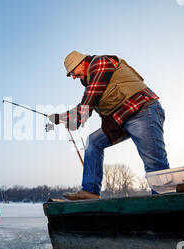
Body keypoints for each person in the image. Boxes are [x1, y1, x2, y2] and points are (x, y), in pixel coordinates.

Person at [49, 51, 170, 200]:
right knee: (93, 142)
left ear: (81, 63)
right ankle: (90, 191)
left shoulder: (100, 64)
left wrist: (70, 117)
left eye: (73, 72)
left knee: (153, 162)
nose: (73, 77)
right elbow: (88, 109)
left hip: (142, 111)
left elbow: (88, 102)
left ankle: (165, 199)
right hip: (122, 119)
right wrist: (64, 119)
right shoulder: (92, 79)